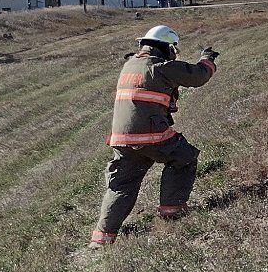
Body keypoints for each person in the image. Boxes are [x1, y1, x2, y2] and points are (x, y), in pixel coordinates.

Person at [89, 24, 218, 245]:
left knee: (121, 185)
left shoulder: (130, 65)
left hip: (121, 139)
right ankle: (172, 211)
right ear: (167, 47)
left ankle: (102, 239)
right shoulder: (161, 67)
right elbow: (197, 76)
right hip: (149, 134)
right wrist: (207, 59)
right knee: (184, 157)